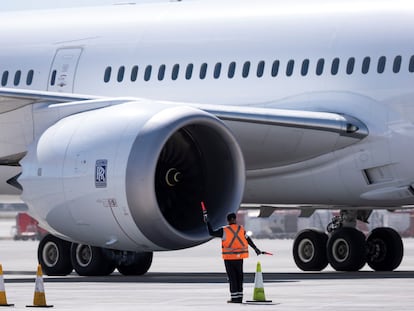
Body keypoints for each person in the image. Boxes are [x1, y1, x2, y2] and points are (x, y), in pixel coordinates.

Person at [206, 212, 261, 303]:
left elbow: (211, 233)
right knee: (239, 277)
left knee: (232, 278)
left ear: (227, 220)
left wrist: (207, 222)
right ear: (235, 219)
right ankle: (239, 297)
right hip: (239, 258)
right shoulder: (241, 229)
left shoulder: (224, 230)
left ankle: (234, 298)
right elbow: (248, 240)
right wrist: (256, 248)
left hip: (229, 258)